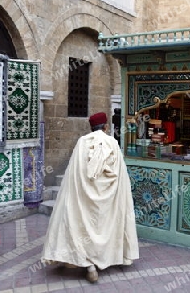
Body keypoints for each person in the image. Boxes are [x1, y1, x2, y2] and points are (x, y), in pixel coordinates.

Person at [41, 112, 139, 283]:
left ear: (90, 127)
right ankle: (104, 259)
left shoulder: (82, 143)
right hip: (107, 198)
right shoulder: (113, 143)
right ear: (106, 127)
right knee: (104, 225)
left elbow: (73, 174)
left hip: (84, 197)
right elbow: (121, 176)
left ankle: (88, 263)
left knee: (83, 225)